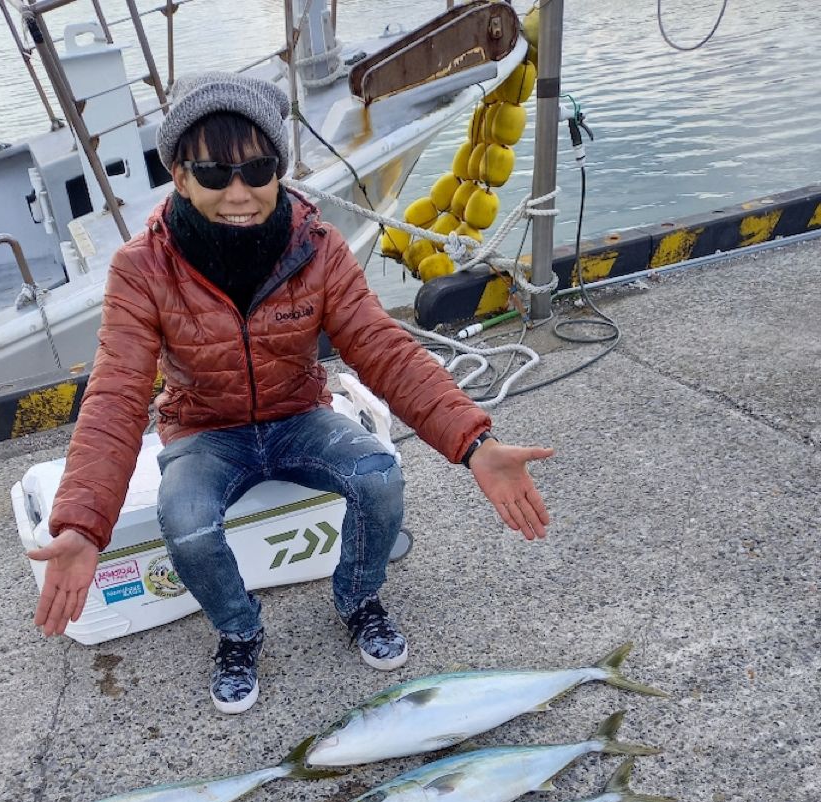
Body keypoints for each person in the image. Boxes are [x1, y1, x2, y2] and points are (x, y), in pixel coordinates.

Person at [31, 73, 553, 713]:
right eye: (215, 173)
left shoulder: (320, 249)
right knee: (186, 523)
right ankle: (238, 630)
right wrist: (83, 523)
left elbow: (382, 348)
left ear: (279, 167)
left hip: (299, 415)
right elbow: (115, 392)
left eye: (258, 168)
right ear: (178, 173)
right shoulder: (141, 269)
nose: (240, 192)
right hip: (203, 432)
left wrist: (476, 442)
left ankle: (359, 596)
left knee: (381, 475)